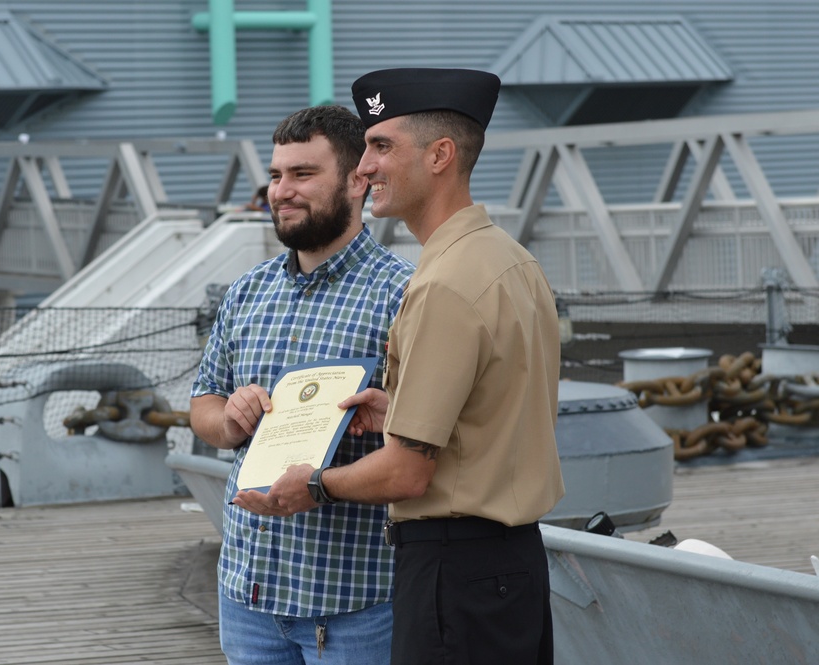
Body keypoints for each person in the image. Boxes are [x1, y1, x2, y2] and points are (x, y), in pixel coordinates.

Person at [233, 69, 566, 664]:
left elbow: (409, 475)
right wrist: (396, 412)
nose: (363, 167)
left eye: (381, 146)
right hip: (511, 565)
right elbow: (495, 415)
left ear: (441, 155)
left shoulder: (440, 285)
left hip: (451, 573)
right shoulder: (510, 260)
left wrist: (311, 485)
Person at [190, 104, 414, 665]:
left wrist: (393, 414)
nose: (282, 191)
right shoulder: (246, 292)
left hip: (354, 601)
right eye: (275, 175)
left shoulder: (406, 294)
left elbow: (429, 445)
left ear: (358, 181)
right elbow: (203, 405)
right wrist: (229, 417)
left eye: (303, 175)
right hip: (248, 591)